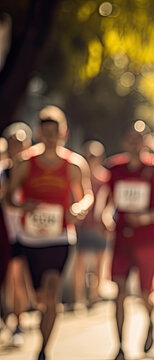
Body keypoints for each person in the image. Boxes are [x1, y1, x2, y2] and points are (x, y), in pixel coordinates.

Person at [6, 106, 94, 360]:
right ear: (38, 133)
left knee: (52, 291)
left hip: (59, 237)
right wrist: (23, 206)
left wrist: (78, 208)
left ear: (63, 133)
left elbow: (87, 195)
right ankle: (43, 318)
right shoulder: (25, 163)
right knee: (38, 297)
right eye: (45, 133)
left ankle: (43, 349)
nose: (49, 138)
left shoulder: (73, 164)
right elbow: (9, 199)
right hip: (31, 239)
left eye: (54, 133)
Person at [104, 120, 154, 360]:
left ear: (146, 141)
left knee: (146, 293)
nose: (134, 144)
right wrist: (105, 217)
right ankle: (120, 347)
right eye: (130, 139)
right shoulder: (115, 168)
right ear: (125, 141)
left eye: (139, 139)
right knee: (120, 291)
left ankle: (150, 321)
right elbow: (106, 204)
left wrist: (144, 217)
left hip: (147, 240)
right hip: (121, 239)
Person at [0, 122, 36, 347]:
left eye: (21, 142)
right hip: (8, 232)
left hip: (32, 232)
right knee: (12, 277)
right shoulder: (2, 172)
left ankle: (21, 318)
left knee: (25, 280)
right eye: (13, 142)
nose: (17, 147)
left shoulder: (34, 169)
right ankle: (16, 321)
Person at [73, 140, 110, 309]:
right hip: (83, 226)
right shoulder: (80, 175)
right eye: (88, 156)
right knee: (80, 263)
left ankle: (93, 295)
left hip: (99, 226)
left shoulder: (105, 178)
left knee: (99, 263)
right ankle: (78, 298)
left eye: (94, 156)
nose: (91, 159)